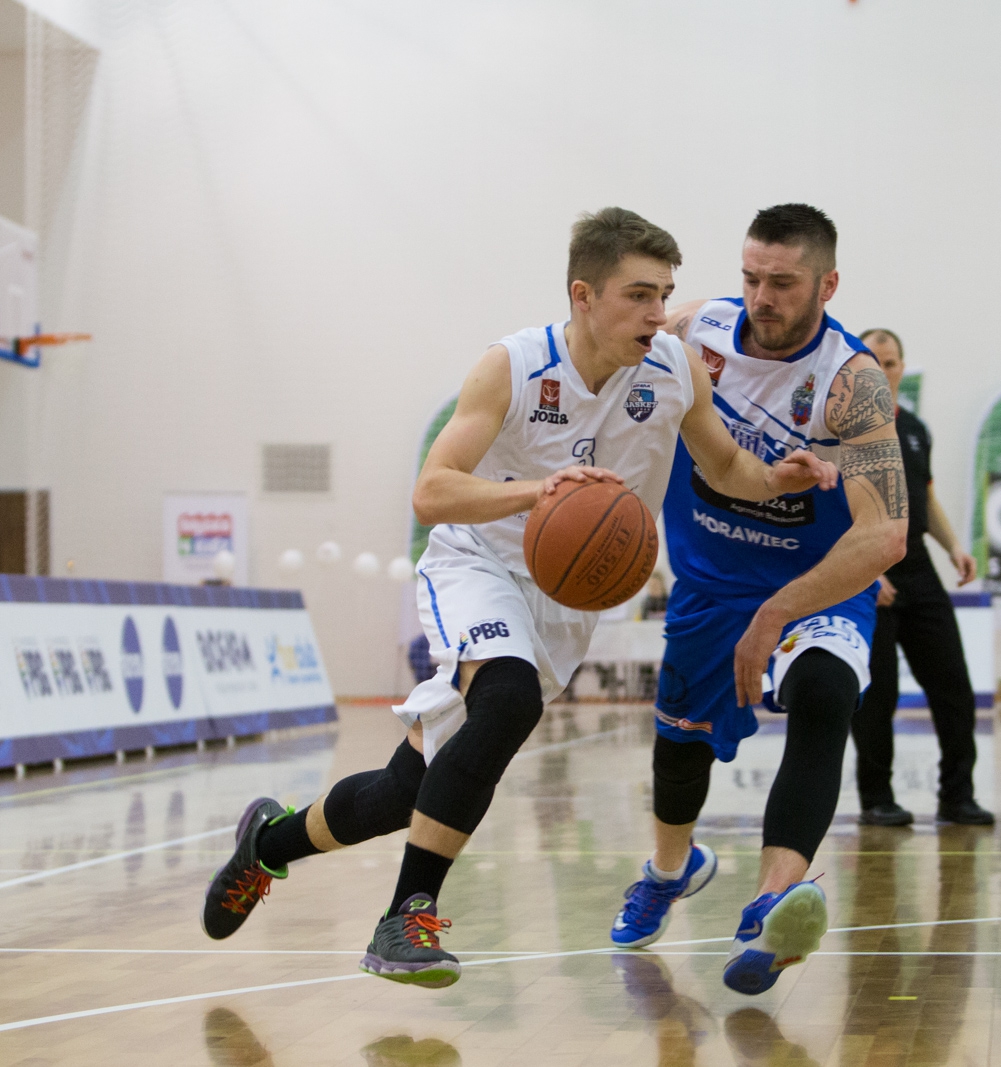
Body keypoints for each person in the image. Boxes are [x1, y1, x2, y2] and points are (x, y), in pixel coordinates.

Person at [199, 208, 838, 988]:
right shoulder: (512, 365)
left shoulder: (675, 369)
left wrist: (775, 478)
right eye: (638, 294)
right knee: (505, 700)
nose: (656, 312)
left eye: (664, 292)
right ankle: (407, 918)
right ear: (583, 294)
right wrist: (538, 493)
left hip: (566, 602)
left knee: (408, 789)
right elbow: (432, 491)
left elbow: (726, 463)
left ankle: (268, 844)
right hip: (480, 563)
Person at [608, 204, 908, 996]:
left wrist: (778, 612)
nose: (761, 296)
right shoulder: (692, 330)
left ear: (827, 284)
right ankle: (669, 871)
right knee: (679, 751)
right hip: (709, 582)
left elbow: (886, 537)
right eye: (751, 277)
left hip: (813, 588)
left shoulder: (852, 383)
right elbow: (596, 354)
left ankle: (773, 906)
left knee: (824, 696)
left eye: (782, 282)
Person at [849, 327, 992, 827]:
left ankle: (957, 795)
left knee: (953, 686)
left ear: (901, 369)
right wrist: (864, 571)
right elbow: (830, 509)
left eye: (890, 363)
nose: (882, 371)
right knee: (877, 697)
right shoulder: (841, 429)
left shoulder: (915, 429)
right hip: (870, 577)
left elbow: (924, 498)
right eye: (873, 361)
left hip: (919, 573)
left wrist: (954, 546)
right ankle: (876, 799)